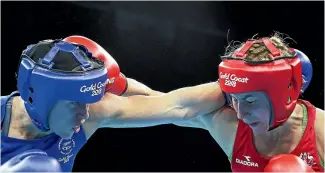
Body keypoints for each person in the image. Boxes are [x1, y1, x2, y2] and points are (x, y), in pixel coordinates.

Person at [79, 34, 323, 172]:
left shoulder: (320, 131)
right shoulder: (229, 126)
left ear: (283, 95)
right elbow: (166, 105)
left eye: (249, 99)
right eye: (234, 99)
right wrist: (112, 88)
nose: (241, 112)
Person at [0, 36, 162, 172]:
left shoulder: (94, 111)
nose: (85, 113)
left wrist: (119, 83)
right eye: (75, 102)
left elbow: (177, 105)